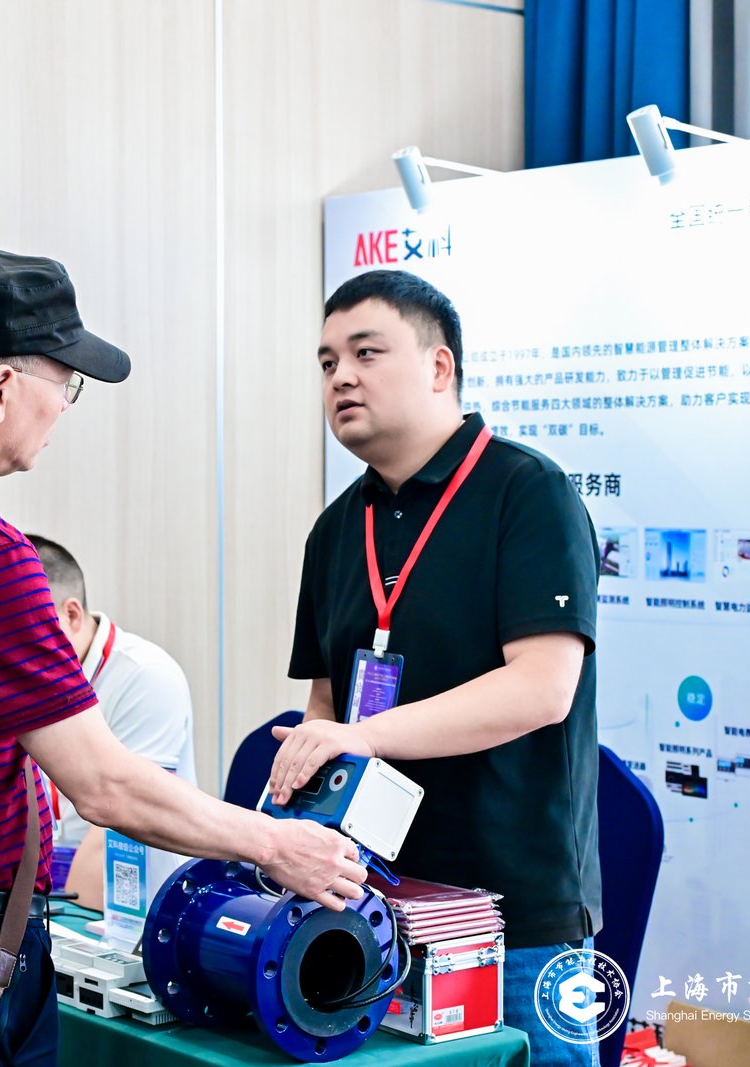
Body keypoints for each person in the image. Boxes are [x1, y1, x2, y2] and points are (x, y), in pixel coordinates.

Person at [0, 247, 365, 1067]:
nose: (63, 409)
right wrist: (274, 843)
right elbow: (104, 784)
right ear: (0, 390)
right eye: (65, 383)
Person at [267, 269, 602, 1066]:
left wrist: (365, 735)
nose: (340, 377)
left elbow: (543, 687)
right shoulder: (336, 529)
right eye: (326, 362)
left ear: (439, 366)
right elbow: (328, 701)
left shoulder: (528, 492)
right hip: (369, 907)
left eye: (366, 353)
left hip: (512, 917)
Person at [26, 533, 197, 902]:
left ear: (71, 615)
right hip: (52, 886)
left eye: (23, 630)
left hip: (134, 899)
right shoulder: (19, 676)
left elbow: (119, 818)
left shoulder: (146, 675)